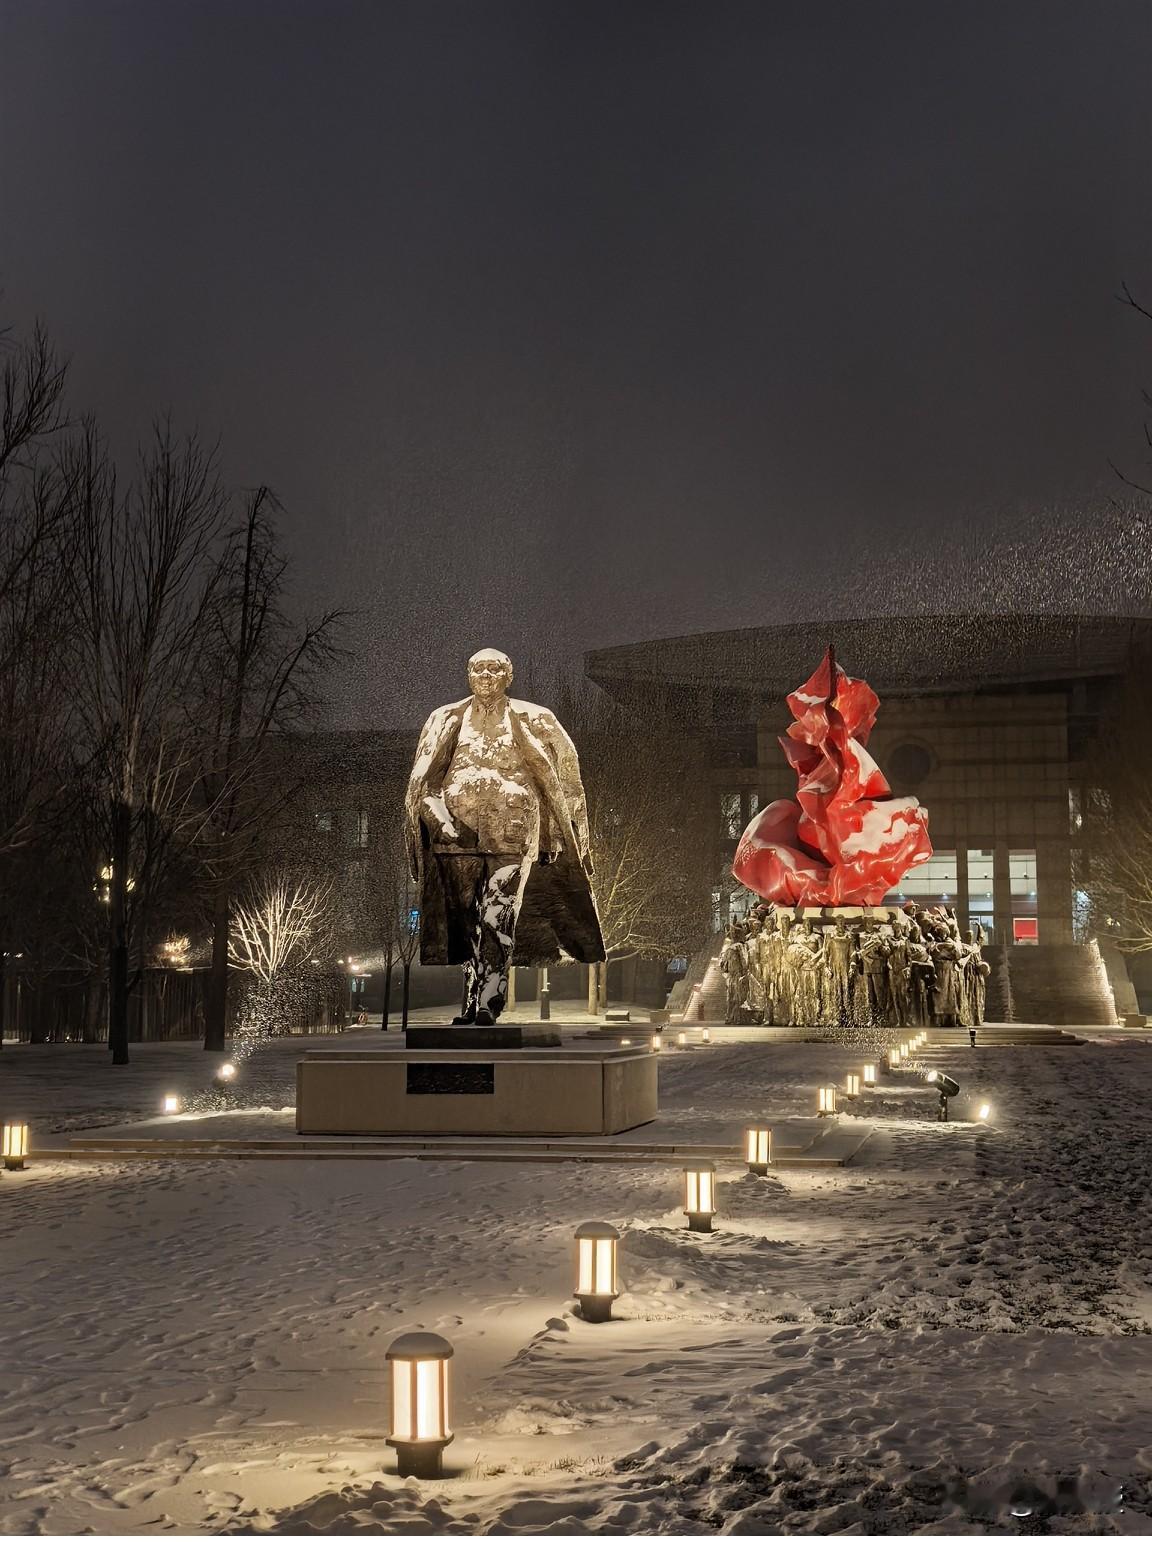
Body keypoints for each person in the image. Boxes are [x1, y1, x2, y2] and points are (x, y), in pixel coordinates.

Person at [404, 649, 605, 1025]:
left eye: (494, 669)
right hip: (456, 839)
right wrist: (440, 821)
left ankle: (489, 1000)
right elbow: (424, 784)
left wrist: (563, 835)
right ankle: (471, 999)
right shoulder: (445, 718)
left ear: (507, 677)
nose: (486, 675)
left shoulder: (536, 718)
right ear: (469, 675)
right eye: (478, 669)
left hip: (514, 832)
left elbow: (567, 781)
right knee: (466, 921)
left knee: (499, 912)